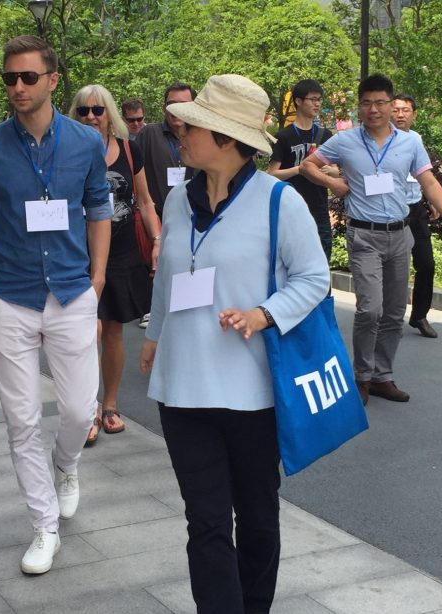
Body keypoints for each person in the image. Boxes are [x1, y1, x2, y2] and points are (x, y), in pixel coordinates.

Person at [140, 74, 330, 614]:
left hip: (253, 394)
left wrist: (263, 314)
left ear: (226, 138)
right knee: (205, 523)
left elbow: (314, 280)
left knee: (257, 515)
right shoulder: (178, 199)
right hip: (183, 387)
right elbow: (168, 274)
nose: (182, 130)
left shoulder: (278, 202)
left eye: (194, 124)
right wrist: (154, 337)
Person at [0, 35, 110, 575]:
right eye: (9, 78)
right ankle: (43, 527)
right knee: (20, 419)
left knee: (77, 409)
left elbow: (99, 211)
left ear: (51, 81)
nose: (16, 87)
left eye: (27, 78)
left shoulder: (87, 143)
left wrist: (98, 276)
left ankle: (66, 465)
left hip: (70, 290)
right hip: (11, 293)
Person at [300, 74, 442, 405]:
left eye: (380, 103)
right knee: (370, 310)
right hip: (364, 235)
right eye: (366, 103)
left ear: (391, 105)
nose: (373, 109)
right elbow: (307, 165)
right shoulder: (345, 141)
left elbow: (428, 181)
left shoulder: (409, 143)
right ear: (359, 107)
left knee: (392, 313)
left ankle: (381, 376)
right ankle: (362, 376)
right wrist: (332, 184)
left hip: (399, 234)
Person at [68, 84, 160, 446]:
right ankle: (87, 406)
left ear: (110, 114)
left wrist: (157, 241)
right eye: (84, 111)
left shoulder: (128, 149)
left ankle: (110, 404)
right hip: (78, 253)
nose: (91, 116)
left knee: (113, 332)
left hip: (121, 253)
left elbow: (145, 201)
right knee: (84, 333)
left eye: (98, 110)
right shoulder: (67, 152)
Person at [267, 79, 339, 261]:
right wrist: (300, 169)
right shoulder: (284, 136)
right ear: (298, 101)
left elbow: (337, 171)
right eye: (312, 99)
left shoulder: (326, 135)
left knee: (323, 262)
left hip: (320, 208)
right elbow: (272, 173)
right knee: (293, 262)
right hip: (290, 209)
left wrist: (329, 172)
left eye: (319, 99)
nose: (317, 104)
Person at [392, 94, 439, 339]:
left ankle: (419, 315)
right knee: (393, 267)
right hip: (390, 211)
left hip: (415, 208)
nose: (401, 114)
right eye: (396, 109)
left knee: (427, 263)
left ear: (414, 114)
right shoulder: (382, 138)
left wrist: (431, 200)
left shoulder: (416, 139)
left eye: (406, 110)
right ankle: (388, 317)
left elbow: (424, 175)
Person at [136, 82, 197, 220]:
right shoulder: (149, 134)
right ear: (164, 109)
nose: (176, 109)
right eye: (172, 104)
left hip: (195, 220)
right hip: (158, 220)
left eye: (183, 104)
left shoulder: (203, 138)